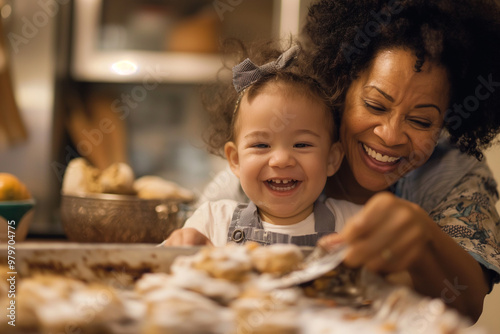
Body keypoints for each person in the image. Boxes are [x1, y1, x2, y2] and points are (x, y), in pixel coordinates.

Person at [194, 0, 500, 322]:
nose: (391, 135)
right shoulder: (279, 160)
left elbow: (467, 303)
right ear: (341, 85)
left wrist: (424, 238)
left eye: (422, 122)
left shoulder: (452, 173)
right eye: (375, 105)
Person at [163, 42, 362, 247]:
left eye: (301, 145)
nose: (281, 160)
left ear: (332, 158)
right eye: (261, 145)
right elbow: (158, 267)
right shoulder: (212, 221)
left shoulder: (353, 223)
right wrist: (182, 246)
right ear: (235, 160)